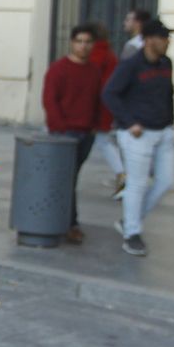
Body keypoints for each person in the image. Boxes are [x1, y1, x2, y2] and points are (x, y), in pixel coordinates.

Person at [102, 18, 174, 257]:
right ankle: (132, 234)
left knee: (165, 181)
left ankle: (129, 220)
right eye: (163, 38)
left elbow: (168, 94)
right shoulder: (130, 65)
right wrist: (129, 122)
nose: (167, 42)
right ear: (149, 40)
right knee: (137, 183)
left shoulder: (166, 63)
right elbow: (110, 94)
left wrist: (171, 122)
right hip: (137, 134)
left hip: (163, 131)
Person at [41, 25, 104, 243]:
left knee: (72, 178)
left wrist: (95, 125)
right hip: (64, 133)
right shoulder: (59, 69)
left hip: (86, 132)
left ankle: (66, 221)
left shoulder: (95, 71)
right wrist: (59, 127)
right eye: (79, 41)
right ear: (71, 42)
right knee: (66, 179)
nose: (83, 46)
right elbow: (50, 100)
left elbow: (98, 100)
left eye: (88, 42)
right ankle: (69, 223)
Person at [85, 22, 126, 198]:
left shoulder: (95, 55)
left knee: (103, 141)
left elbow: (91, 83)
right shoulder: (110, 55)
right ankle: (122, 173)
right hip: (105, 105)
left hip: (97, 106)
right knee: (104, 141)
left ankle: (122, 173)